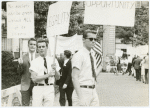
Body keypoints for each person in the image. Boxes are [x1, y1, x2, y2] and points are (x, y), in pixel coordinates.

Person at [29, 39, 60, 106]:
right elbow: (34, 79)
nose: (41, 48)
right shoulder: (34, 62)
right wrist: (48, 75)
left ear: (47, 47)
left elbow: (58, 77)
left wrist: (55, 70)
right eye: (39, 47)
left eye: (43, 46)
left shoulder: (53, 60)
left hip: (49, 88)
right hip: (38, 88)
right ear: (37, 49)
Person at [71, 30, 99, 106]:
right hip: (82, 90)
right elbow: (74, 77)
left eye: (95, 39)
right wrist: (81, 97)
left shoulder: (92, 55)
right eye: (91, 39)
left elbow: (92, 73)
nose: (93, 41)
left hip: (93, 91)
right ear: (83, 40)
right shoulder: (79, 55)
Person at [17, 38, 39, 106]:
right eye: (31, 44)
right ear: (28, 45)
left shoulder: (40, 57)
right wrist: (20, 65)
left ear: (36, 46)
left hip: (37, 85)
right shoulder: (23, 57)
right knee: (25, 105)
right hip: (25, 85)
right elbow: (19, 73)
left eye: (34, 44)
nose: (32, 46)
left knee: (37, 105)